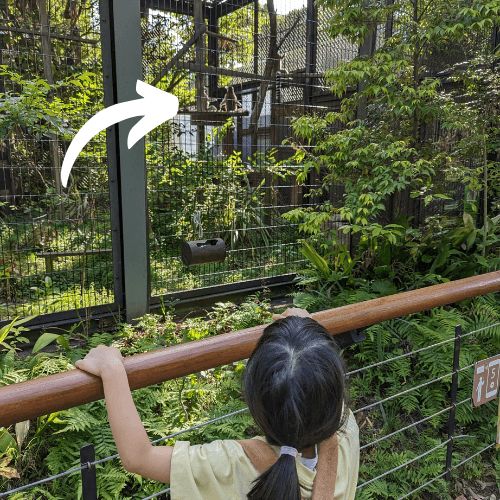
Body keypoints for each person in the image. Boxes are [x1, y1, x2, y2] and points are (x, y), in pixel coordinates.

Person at [75, 307, 359, 499]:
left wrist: (112, 372)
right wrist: (305, 332)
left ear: (252, 397)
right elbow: (320, 387)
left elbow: (139, 457)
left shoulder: (231, 464)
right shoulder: (346, 434)